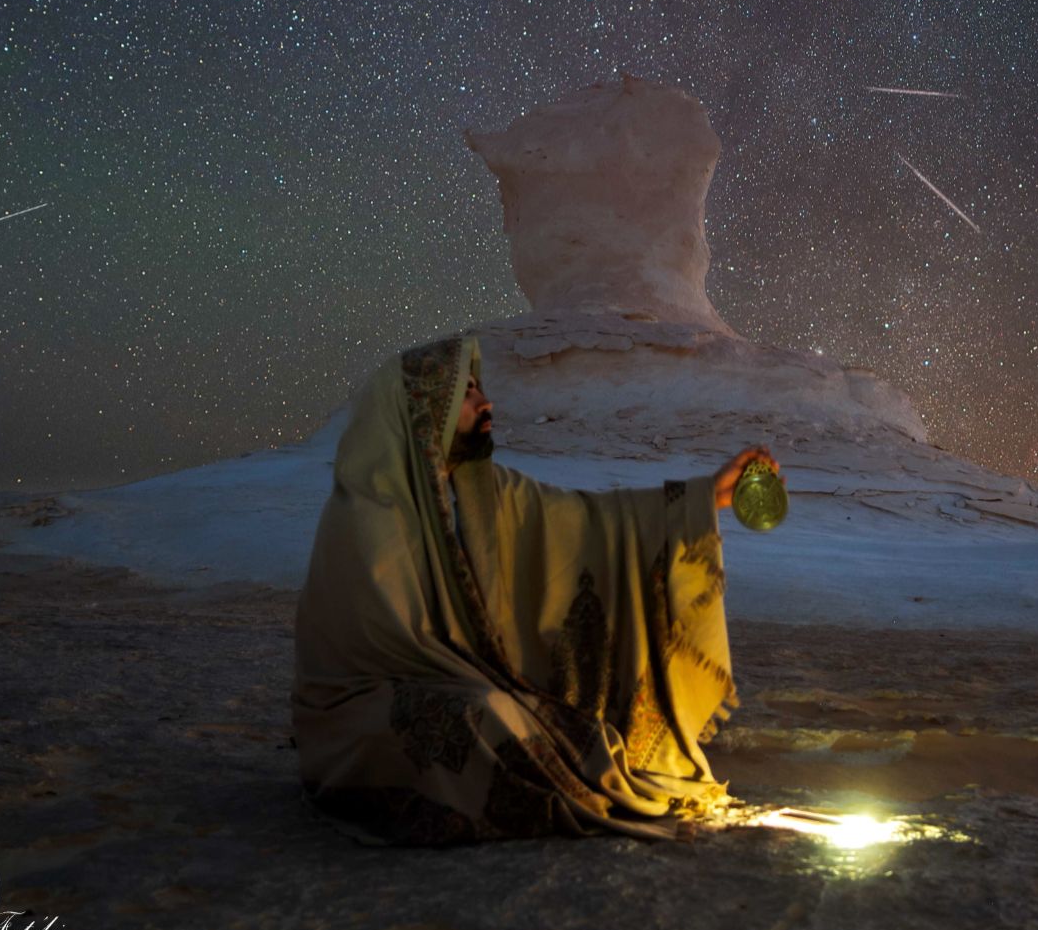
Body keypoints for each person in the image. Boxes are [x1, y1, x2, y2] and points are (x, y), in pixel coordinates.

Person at [291, 331, 780, 845]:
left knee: (562, 729)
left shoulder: (482, 493)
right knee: (478, 719)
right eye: (469, 393)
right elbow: (376, 646)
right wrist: (474, 678)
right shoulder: (369, 513)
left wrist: (702, 499)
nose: (487, 403)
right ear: (425, 411)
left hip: (464, 682)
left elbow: (588, 522)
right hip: (361, 712)